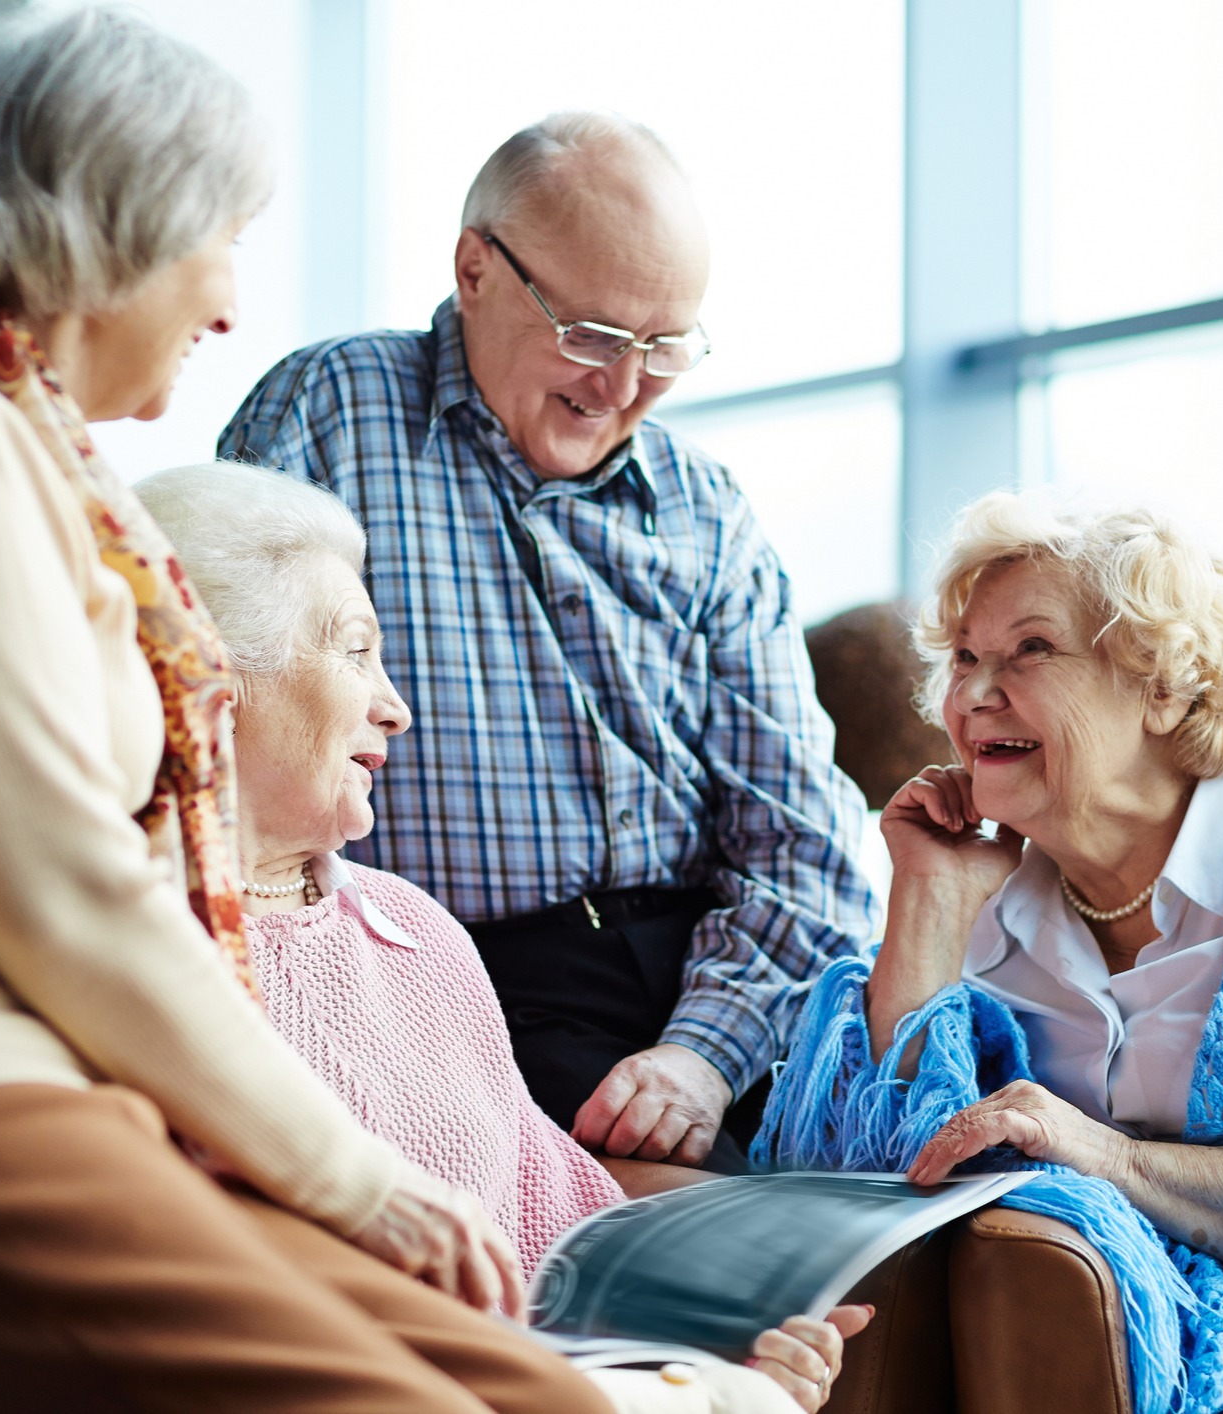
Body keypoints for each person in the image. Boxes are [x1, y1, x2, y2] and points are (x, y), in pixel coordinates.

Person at [0, 11, 647, 1412]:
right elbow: (64, 890)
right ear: (114, 224)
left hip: (68, 1078)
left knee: (557, 1396)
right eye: (217, 239)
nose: (228, 300)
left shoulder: (30, 451)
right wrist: (353, 1179)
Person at [137, 459, 875, 1414]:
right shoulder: (119, 951)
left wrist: (712, 1346)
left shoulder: (416, 934)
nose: (396, 707)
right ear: (211, 676)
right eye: (356, 653)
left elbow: (558, 1230)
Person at [219, 112, 878, 1172]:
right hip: (450, 978)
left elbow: (808, 843)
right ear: (474, 269)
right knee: (719, 1259)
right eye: (594, 334)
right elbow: (232, 720)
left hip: (715, 983)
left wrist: (702, 1058)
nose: (623, 387)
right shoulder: (334, 408)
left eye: (664, 347)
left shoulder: (706, 507)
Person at [754, 492, 1223, 1414]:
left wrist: (1106, 1157)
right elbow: (858, 1184)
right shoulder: (984, 895)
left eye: (1030, 650)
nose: (972, 694)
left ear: (1164, 685)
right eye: (963, 658)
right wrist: (929, 898)